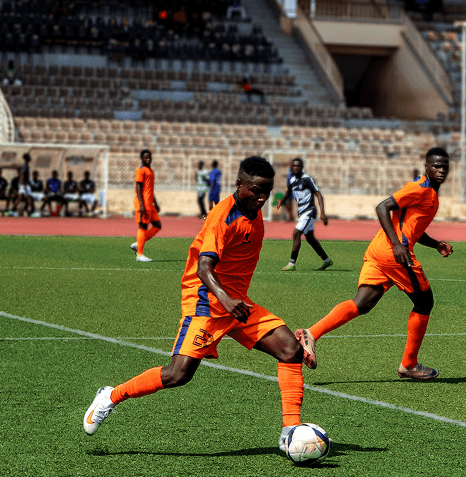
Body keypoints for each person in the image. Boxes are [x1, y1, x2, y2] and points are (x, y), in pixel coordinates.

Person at [83, 156, 318, 455]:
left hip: (236, 302)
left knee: (290, 351)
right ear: (239, 185)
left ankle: (290, 434)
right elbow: (204, 268)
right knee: (177, 375)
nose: (262, 198)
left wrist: (233, 300)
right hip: (207, 301)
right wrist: (225, 299)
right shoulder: (223, 217)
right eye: (256, 190)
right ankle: (110, 396)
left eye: (267, 192)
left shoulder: (253, 210)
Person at [298, 148, 454, 378]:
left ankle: (310, 334)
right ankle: (409, 364)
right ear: (426, 167)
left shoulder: (430, 193)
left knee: (363, 303)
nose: (441, 170)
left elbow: (411, 228)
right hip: (395, 255)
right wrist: (397, 244)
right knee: (424, 302)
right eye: (436, 166)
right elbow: (382, 207)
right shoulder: (419, 189)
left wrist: (435, 244)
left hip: (380, 251)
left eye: (444, 167)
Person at [281, 158, 332, 272]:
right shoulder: (292, 180)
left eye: (298, 166)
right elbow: (288, 192)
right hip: (302, 212)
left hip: (309, 211)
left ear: (302, 167)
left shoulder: (307, 179)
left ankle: (291, 263)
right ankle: (327, 260)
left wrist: (322, 212)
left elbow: (318, 195)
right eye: (294, 166)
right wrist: (282, 201)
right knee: (310, 238)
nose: (296, 168)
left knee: (296, 233)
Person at [131, 150, 161, 262]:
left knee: (157, 225)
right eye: (145, 158)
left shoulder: (150, 170)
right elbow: (138, 188)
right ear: (141, 158)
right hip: (143, 204)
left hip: (150, 204)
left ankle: (138, 243)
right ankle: (139, 254)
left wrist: (155, 202)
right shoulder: (141, 170)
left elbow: (149, 189)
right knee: (143, 227)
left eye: (149, 157)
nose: (148, 159)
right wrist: (141, 204)